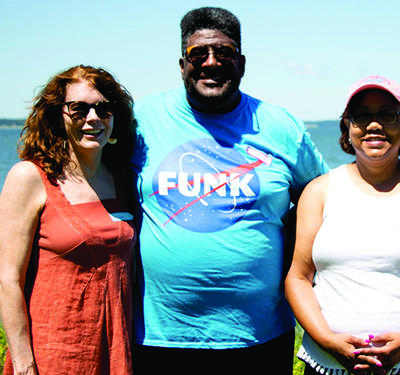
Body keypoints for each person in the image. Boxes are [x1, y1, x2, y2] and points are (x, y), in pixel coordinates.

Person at [130, 6, 328, 374]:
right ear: (182, 63)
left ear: (242, 62)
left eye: (224, 53)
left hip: (259, 336)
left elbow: (325, 198)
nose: (211, 63)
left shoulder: (279, 126)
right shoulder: (142, 120)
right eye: (198, 54)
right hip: (161, 337)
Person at [285, 75, 400, 375]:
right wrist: (328, 341)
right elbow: (298, 278)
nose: (374, 125)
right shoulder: (319, 191)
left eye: (387, 114)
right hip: (330, 365)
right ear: (347, 126)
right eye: (361, 116)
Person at [0, 65, 137, 374]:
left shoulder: (124, 179)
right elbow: (8, 280)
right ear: (56, 115)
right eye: (78, 108)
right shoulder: (30, 178)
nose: (92, 118)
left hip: (117, 354)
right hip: (54, 356)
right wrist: (23, 365)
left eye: (104, 109)